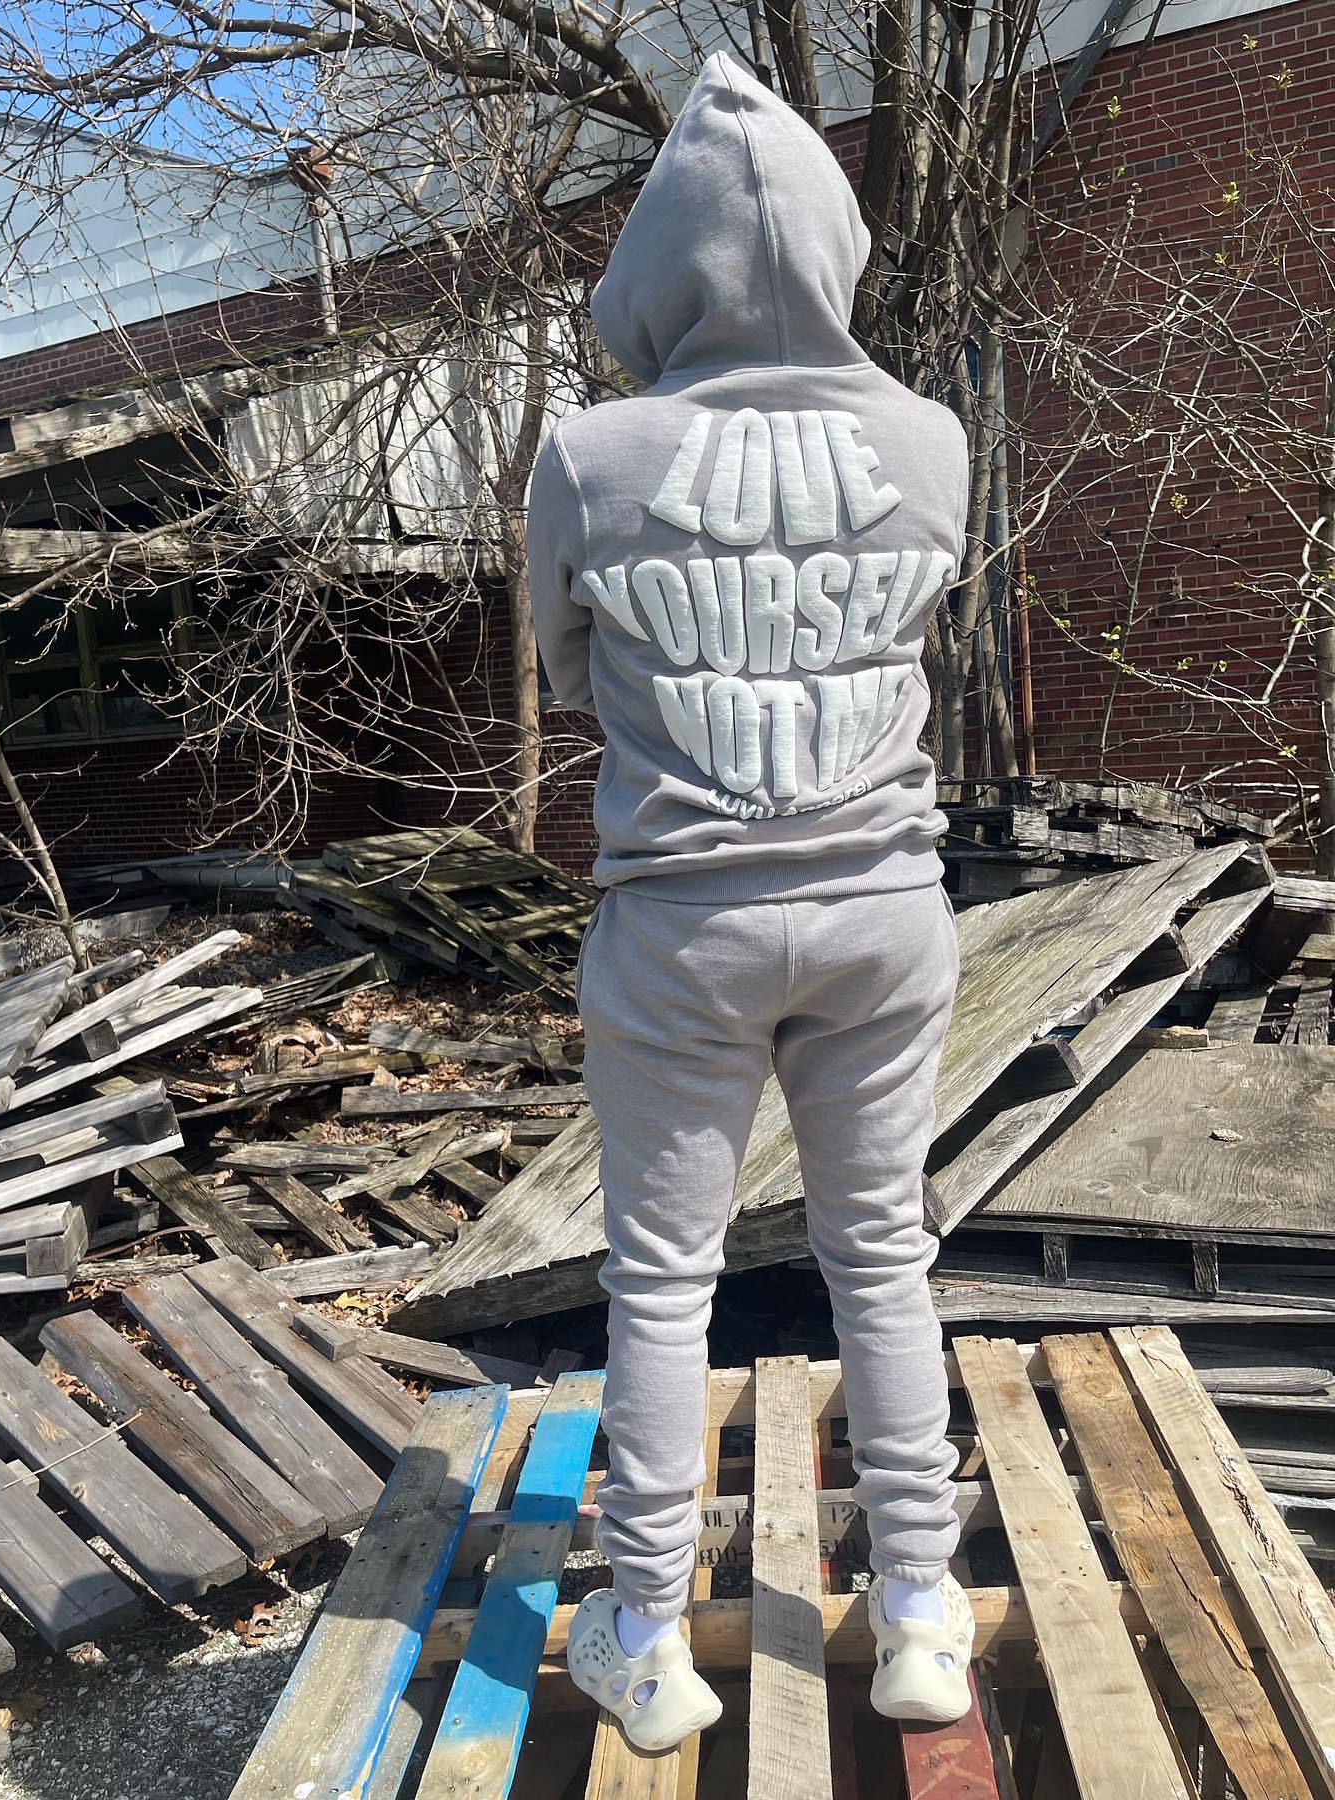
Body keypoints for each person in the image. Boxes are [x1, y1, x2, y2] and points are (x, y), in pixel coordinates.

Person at [526, 50, 972, 1753]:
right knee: (885, 1258)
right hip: (882, 913)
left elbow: (573, 675)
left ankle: (647, 1641)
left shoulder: (589, 457)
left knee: (661, 1282)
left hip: (683, 926)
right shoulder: (932, 439)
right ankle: (919, 1610)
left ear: (659, 266)